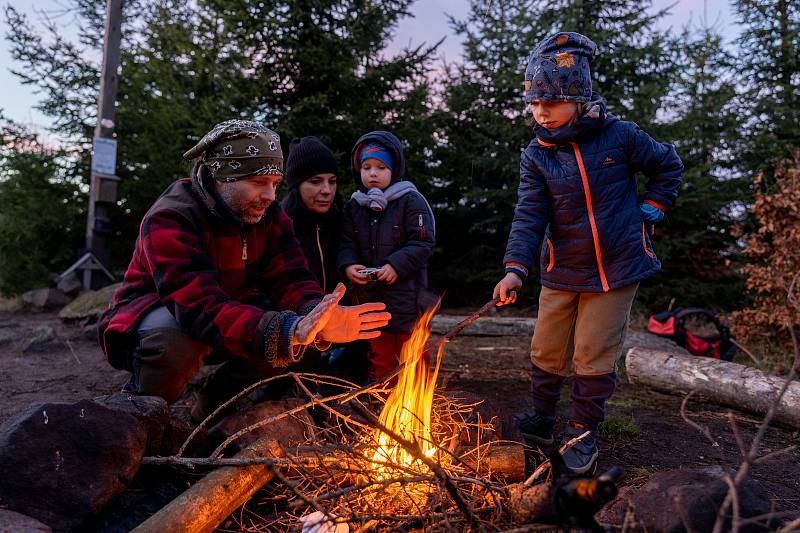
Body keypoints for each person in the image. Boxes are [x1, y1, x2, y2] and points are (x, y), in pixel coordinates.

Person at [97, 120, 390, 420]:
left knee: (289, 340)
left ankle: (212, 404)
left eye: (276, 183)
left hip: (225, 313)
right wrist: (284, 330)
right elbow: (198, 305)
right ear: (223, 175)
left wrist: (316, 314)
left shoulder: (269, 216)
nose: (271, 196)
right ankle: (137, 414)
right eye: (259, 182)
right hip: (154, 320)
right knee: (179, 346)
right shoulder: (171, 217)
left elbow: (290, 278)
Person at [493, 32, 683, 474]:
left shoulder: (621, 136)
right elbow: (528, 215)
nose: (541, 112)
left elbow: (667, 164)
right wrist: (515, 270)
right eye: (535, 103)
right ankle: (542, 417)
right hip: (563, 267)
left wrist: (652, 208)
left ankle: (582, 433)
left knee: (593, 352)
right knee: (546, 347)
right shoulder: (536, 156)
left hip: (618, 266)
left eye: (552, 102)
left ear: (578, 97)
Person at [338, 131, 436, 382]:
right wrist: (348, 265)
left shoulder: (411, 201)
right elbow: (345, 243)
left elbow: (422, 242)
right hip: (371, 298)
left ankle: (419, 403)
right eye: (366, 167)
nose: (372, 173)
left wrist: (395, 265)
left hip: (408, 298)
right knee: (379, 356)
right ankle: (380, 403)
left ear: (394, 168)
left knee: (412, 355)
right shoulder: (354, 206)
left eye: (380, 167)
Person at [280, 135, 369, 386]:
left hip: (338, 324)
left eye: (332, 181)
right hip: (294, 325)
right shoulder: (281, 226)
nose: (327, 191)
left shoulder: (342, 221)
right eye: (315, 182)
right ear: (296, 185)